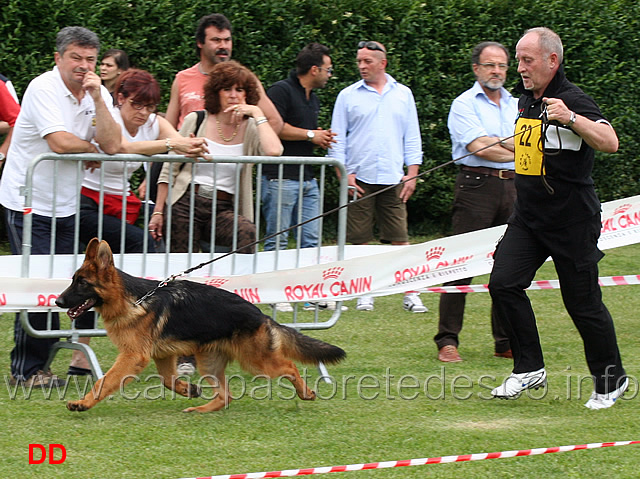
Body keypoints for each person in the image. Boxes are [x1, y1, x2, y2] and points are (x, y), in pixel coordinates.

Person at [489, 27, 627, 410]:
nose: (519, 67)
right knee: (503, 283)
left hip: (572, 221)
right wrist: (500, 144)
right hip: (529, 218)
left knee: (582, 303)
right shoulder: (525, 101)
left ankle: (611, 381)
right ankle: (529, 367)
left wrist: (571, 118)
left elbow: (610, 142)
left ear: (553, 61)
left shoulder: (572, 99)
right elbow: (535, 147)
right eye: (518, 60)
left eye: (526, 60)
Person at [0, 26, 121, 387]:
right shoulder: (43, 87)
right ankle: (26, 371)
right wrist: (93, 149)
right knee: (38, 285)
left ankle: (57, 360)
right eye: (76, 59)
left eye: (90, 60)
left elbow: (113, 144)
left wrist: (99, 99)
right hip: (28, 201)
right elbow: (59, 142)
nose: (83, 67)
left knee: (67, 283)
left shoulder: (94, 93)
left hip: (66, 203)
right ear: (58, 59)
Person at [69, 69, 209, 376]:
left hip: (122, 205)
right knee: (139, 252)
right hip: (87, 203)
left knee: (104, 281)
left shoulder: (154, 123)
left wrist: (193, 145)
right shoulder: (107, 116)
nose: (144, 113)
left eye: (150, 106)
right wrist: (172, 146)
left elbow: (182, 141)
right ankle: (160, 338)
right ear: (120, 99)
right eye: (137, 105)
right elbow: (118, 146)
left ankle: (169, 340)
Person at [150, 60, 282, 375]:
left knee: (246, 233)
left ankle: (237, 324)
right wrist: (158, 210)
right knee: (181, 278)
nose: (234, 96)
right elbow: (169, 168)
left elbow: (274, 151)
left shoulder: (251, 126)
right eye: (228, 89)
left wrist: (258, 114)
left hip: (224, 208)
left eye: (240, 90)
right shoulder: (195, 120)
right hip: (187, 200)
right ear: (215, 93)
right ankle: (183, 352)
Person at [434, 42, 518, 363]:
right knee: (461, 265)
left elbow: (526, 141)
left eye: (502, 66)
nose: (496, 71)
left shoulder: (517, 103)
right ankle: (447, 340)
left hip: (515, 187)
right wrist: (514, 147)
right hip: (476, 185)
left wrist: (504, 145)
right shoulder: (463, 103)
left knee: (510, 265)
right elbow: (480, 148)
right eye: (490, 65)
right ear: (476, 69)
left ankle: (505, 341)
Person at [329, 40, 427, 314]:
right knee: (360, 241)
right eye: (359, 61)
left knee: (400, 239)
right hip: (358, 179)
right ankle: (364, 294)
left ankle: (410, 293)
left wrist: (412, 174)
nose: (361, 66)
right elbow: (337, 140)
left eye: (367, 61)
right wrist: (343, 174)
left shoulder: (403, 94)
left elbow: (412, 136)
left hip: (393, 177)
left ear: (382, 63)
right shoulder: (347, 96)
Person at [265, 42, 337, 313]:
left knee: (310, 240)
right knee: (278, 239)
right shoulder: (280, 90)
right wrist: (310, 135)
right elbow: (275, 127)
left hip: (308, 177)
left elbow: (301, 130)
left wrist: (319, 136)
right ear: (314, 69)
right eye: (328, 70)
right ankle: (274, 291)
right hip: (281, 177)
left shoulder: (313, 97)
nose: (330, 75)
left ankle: (309, 294)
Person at [164, 13, 282, 133]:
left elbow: (274, 121)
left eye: (227, 40)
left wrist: (251, 147)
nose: (223, 46)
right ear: (200, 42)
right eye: (216, 40)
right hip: (192, 149)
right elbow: (168, 128)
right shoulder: (183, 78)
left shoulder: (244, 79)